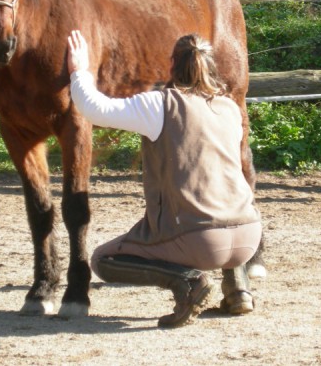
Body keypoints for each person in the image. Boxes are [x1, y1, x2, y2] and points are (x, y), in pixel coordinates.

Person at [66, 29, 262, 328]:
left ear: (172, 65)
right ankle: (238, 288)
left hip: (201, 240)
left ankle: (188, 283)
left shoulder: (159, 105)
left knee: (103, 260)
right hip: (249, 236)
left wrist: (79, 70)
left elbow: (96, 109)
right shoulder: (230, 108)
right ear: (211, 65)